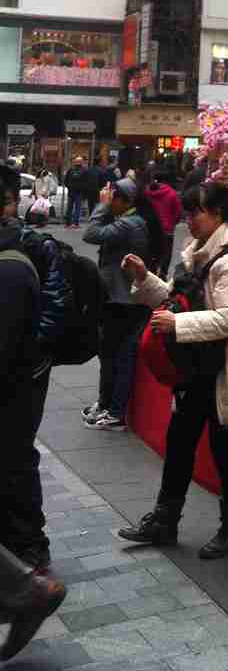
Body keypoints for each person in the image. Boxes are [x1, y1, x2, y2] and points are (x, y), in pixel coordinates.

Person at [117, 181, 228, 558]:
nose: (189, 219)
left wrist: (177, 325)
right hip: (196, 368)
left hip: (224, 370)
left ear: (218, 214)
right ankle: (164, 522)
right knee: (179, 445)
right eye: (188, 212)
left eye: (196, 212)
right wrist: (144, 278)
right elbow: (176, 298)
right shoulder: (196, 252)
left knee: (226, 453)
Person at [0, 171, 66, 659]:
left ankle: (29, 572)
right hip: (20, 382)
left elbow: (19, 337)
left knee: (16, 465)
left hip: (17, 387)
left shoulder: (15, 262)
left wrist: (33, 359)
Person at [81, 179, 159, 431]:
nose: (108, 200)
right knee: (110, 354)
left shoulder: (129, 224)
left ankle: (115, 412)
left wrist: (101, 207)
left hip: (123, 301)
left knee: (118, 356)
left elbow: (90, 234)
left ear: (126, 201)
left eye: (112, 197)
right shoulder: (128, 220)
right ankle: (106, 404)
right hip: (119, 298)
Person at [144, 170, 182, 277]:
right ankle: (162, 274)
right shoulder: (172, 193)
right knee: (166, 254)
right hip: (167, 230)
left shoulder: (146, 192)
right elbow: (178, 212)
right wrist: (172, 222)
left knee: (151, 253)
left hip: (149, 228)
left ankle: (150, 274)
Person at [64, 157, 86, 228]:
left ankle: (68, 223)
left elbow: (66, 181)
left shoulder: (70, 170)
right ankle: (75, 223)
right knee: (77, 208)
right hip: (79, 192)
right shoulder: (84, 170)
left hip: (71, 192)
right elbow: (86, 182)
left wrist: (69, 187)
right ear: (81, 163)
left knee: (69, 208)